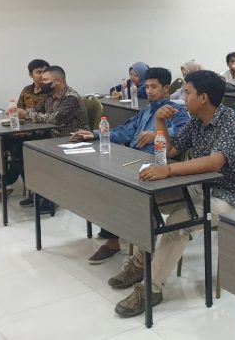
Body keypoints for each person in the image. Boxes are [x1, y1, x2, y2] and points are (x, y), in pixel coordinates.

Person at [108, 70, 235, 317]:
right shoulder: (196, 121)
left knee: (180, 220)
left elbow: (214, 162)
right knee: (147, 201)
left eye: (187, 92)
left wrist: (168, 170)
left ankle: (152, 288)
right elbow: (169, 151)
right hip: (206, 186)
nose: (183, 97)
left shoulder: (231, 121)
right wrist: (160, 123)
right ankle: (139, 265)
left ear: (203, 97)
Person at [71, 67, 190, 263]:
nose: (149, 91)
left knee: (117, 186)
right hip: (135, 159)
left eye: (154, 87)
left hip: (155, 164)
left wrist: (156, 134)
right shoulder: (145, 112)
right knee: (104, 179)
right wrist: (95, 134)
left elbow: (183, 134)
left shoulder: (176, 111)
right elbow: (124, 132)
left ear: (166, 88)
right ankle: (113, 236)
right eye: (147, 87)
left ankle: (125, 246)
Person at [17, 65, 90, 214]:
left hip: (71, 138)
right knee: (20, 148)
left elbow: (56, 119)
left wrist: (27, 114)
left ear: (57, 81)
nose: (41, 82)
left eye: (45, 80)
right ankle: (36, 192)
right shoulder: (48, 95)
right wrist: (21, 112)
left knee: (40, 155)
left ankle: (50, 198)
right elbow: (36, 111)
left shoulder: (71, 97)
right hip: (53, 135)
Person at [0, 58, 51, 203]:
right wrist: (13, 112)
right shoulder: (27, 90)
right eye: (38, 72)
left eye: (45, 72)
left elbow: (48, 117)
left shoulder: (50, 92)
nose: (42, 76)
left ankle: (32, 189)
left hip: (42, 133)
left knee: (18, 149)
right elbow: (19, 110)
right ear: (30, 74)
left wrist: (25, 115)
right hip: (24, 130)